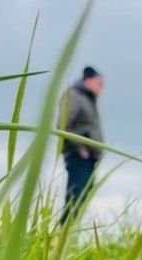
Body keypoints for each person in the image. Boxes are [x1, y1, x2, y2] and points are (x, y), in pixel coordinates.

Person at [58, 66, 105, 224]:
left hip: (90, 158)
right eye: (99, 83)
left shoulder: (88, 99)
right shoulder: (74, 96)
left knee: (83, 196)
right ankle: (63, 233)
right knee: (75, 197)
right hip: (79, 156)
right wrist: (80, 148)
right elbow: (63, 124)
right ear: (88, 80)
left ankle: (69, 233)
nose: (101, 88)